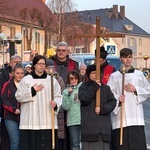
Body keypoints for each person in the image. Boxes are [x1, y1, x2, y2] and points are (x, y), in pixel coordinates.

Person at [15, 55, 62, 150]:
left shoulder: (52, 80)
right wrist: (32, 90)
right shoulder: (26, 80)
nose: (41, 66)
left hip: (47, 120)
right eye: (39, 64)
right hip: (30, 120)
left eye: (43, 64)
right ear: (34, 65)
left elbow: (58, 96)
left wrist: (56, 103)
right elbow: (18, 96)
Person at [107, 48, 150, 150]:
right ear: (120, 58)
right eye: (125, 57)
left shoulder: (138, 75)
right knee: (121, 145)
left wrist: (136, 89)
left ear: (132, 58)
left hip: (136, 117)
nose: (128, 60)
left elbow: (148, 89)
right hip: (120, 117)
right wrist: (118, 98)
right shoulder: (114, 76)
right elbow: (108, 94)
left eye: (130, 57)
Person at [78, 64, 116, 150]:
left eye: (97, 73)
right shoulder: (83, 87)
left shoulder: (106, 88)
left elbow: (113, 102)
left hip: (103, 129)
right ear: (89, 74)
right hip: (89, 129)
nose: (96, 75)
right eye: (93, 73)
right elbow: (85, 99)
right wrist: (95, 86)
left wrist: (103, 109)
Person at [49, 41, 79, 150]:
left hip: (69, 97)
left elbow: (77, 78)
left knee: (68, 128)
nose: (61, 52)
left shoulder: (73, 64)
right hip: (54, 98)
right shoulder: (50, 62)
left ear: (67, 52)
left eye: (63, 50)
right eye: (59, 50)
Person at [0, 55, 22, 150]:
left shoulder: (27, 84)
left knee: (22, 140)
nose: (19, 75)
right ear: (13, 73)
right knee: (15, 140)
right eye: (17, 73)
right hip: (10, 116)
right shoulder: (7, 84)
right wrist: (13, 109)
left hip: (24, 116)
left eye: (21, 73)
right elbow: (3, 99)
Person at [45, 59, 65, 150]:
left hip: (56, 109)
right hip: (45, 109)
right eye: (47, 68)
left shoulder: (58, 79)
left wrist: (56, 103)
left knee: (57, 135)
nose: (49, 69)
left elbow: (60, 94)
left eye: (51, 68)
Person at [62, 70, 81, 150]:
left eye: (75, 78)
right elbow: (66, 107)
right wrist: (69, 95)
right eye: (71, 78)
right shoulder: (66, 91)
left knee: (84, 143)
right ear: (69, 80)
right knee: (75, 144)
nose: (73, 80)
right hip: (72, 121)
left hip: (84, 119)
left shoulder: (83, 88)